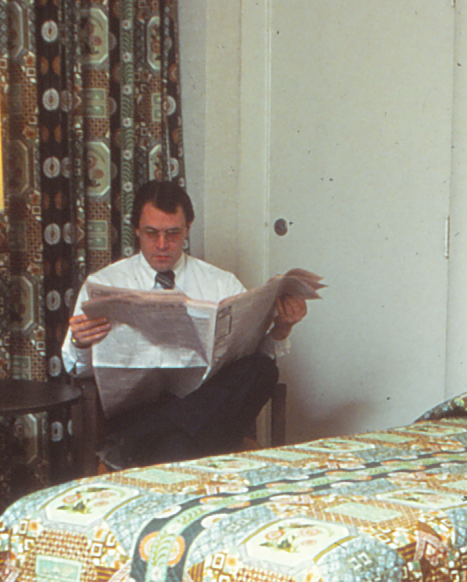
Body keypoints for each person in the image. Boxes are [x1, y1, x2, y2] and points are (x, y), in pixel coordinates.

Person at [62, 181, 308, 469]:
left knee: (264, 370)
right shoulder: (104, 284)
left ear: (188, 229)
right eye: (152, 234)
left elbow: (253, 357)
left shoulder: (221, 282)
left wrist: (282, 328)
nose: (163, 245)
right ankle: (159, 438)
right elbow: (75, 367)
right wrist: (81, 343)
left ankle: (136, 444)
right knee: (184, 444)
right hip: (139, 409)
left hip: (205, 402)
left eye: (173, 233)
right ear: (137, 230)